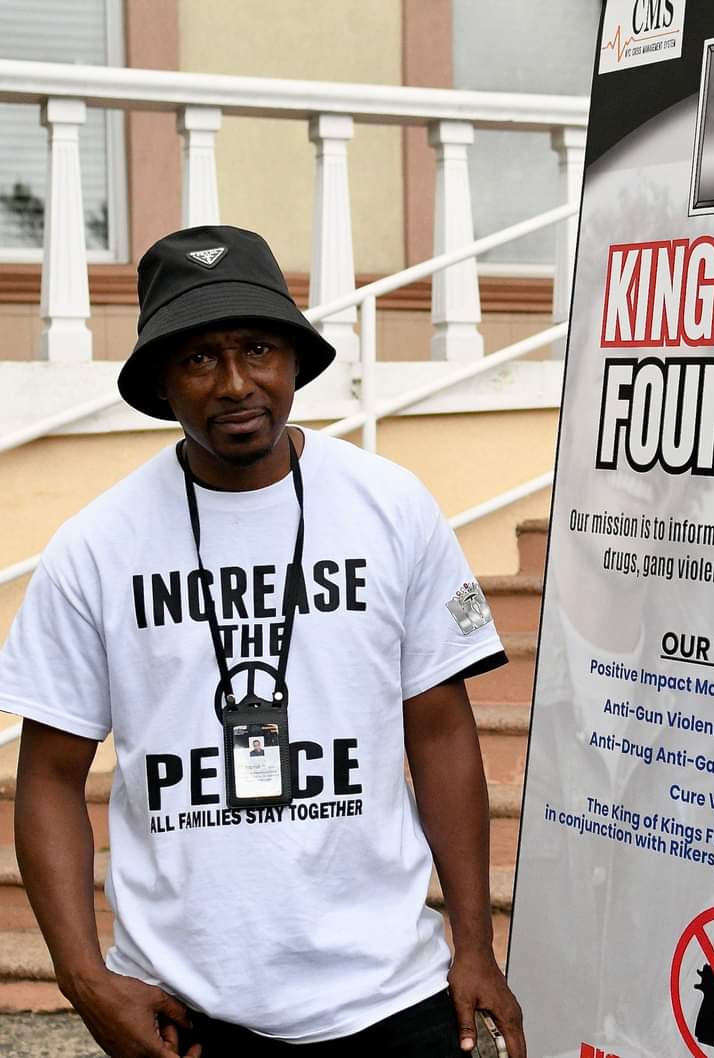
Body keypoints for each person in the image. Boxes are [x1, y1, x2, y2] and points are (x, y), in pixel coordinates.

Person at [0, 225, 525, 1057]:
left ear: (293, 360)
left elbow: (443, 731)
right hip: (188, 1015)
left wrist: (473, 942)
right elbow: (49, 780)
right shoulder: (96, 547)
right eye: (200, 358)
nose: (237, 382)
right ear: (163, 380)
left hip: (391, 999)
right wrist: (84, 978)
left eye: (256, 347)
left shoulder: (391, 507)